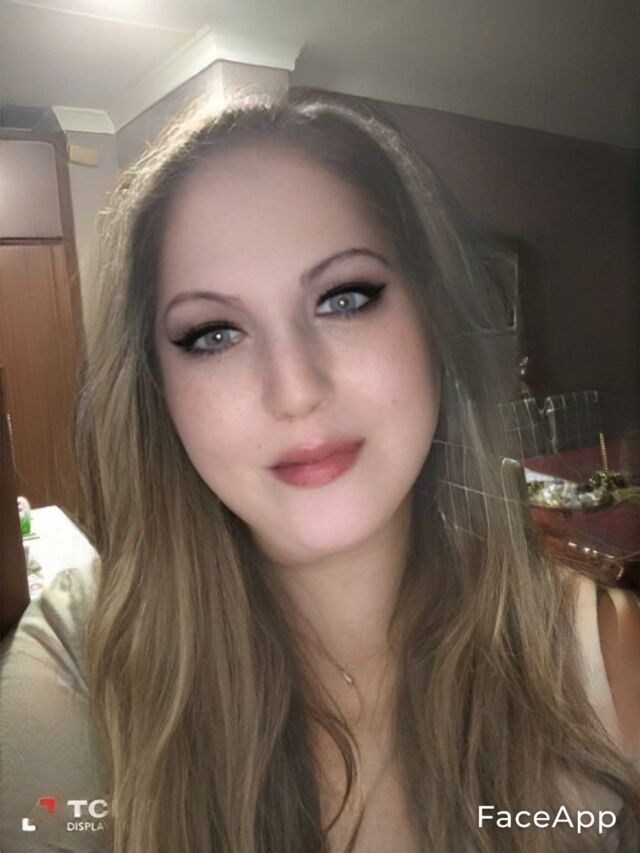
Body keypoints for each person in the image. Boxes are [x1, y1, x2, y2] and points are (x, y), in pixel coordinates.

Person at [1, 86, 639, 853]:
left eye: (344, 298)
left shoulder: (605, 662)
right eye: (213, 334)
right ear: (156, 390)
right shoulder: (84, 655)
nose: (296, 389)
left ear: (431, 320)